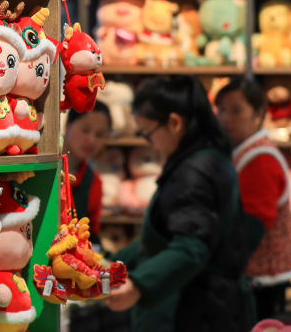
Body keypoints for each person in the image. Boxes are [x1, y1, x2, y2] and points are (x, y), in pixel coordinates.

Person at [105, 75, 254, 332]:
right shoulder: (204, 158)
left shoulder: (195, 171)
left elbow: (191, 246)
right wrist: (113, 263)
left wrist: (139, 285)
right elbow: (163, 237)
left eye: (148, 134)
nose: (149, 144)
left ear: (174, 123)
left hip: (197, 312)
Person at [216, 77, 291, 321]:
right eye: (221, 110)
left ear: (258, 114)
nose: (226, 119)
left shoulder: (260, 158)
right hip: (254, 272)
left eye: (236, 111)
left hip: (260, 275)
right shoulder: (244, 149)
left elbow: (253, 226)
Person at [64, 101, 112, 238]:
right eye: (85, 130)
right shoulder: (44, 167)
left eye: (100, 135)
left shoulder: (93, 183)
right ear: (68, 126)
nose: (92, 140)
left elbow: (92, 234)